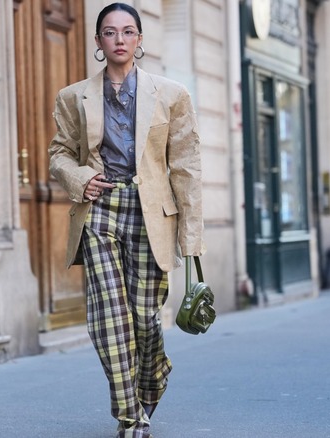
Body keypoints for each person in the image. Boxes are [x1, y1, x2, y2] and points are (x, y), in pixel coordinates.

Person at [48, 3, 205, 437]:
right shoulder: (72, 96)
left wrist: (192, 239)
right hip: (99, 212)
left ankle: (153, 377)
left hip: (150, 214)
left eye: (128, 31)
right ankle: (130, 417)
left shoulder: (172, 95)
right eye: (110, 32)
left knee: (145, 317)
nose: (119, 39)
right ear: (98, 42)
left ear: (139, 39)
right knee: (109, 319)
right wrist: (80, 177)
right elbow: (58, 154)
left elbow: (186, 169)